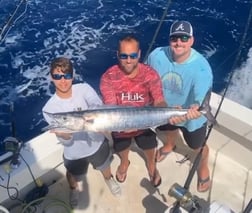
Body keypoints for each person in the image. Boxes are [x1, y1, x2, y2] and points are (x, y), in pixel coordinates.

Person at [42, 57, 121, 208]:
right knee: (73, 175)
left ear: (73, 75)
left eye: (67, 75)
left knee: (104, 165)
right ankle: (74, 189)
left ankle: (109, 179)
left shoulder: (84, 88)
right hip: (73, 152)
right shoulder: (49, 109)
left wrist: (96, 115)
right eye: (58, 76)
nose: (63, 80)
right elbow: (66, 141)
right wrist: (64, 136)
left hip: (97, 144)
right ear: (51, 77)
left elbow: (95, 104)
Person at [146, 20, 213, 193]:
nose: (179, 43)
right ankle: (170, 145)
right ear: (169, 39)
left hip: (191, 119)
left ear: (191, 40)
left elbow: (198, 104)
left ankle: (203, 166)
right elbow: (148, 79)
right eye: (175, 38)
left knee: (197, 147)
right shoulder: (156, 55)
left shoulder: (202, 69)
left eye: (184, 38)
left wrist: (191, 112)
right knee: (169, 130)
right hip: (164, 110)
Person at [100, 35, 167, 187]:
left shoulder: (150, 74)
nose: (128, 60)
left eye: (133, 55)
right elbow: (111, 106)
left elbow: (159, 100)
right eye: (124, 56)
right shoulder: (108, 77)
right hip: (120, 125)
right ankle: (125, 162)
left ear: (139, 54)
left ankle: (151, 165)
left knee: (149, 145)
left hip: (145, 123)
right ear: (118, 55)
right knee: (121, 146)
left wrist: (167, 112)